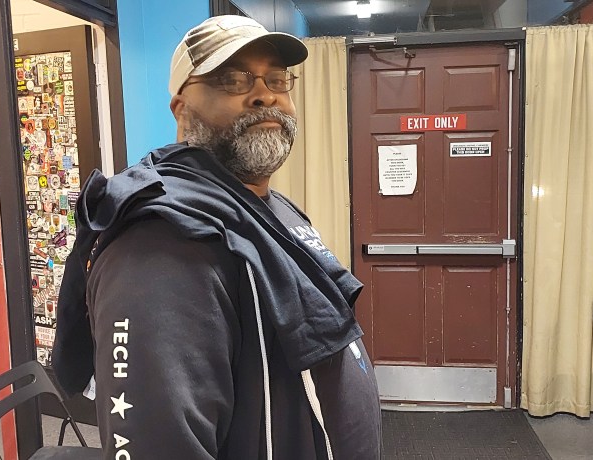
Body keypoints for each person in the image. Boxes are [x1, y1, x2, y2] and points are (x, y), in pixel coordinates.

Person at [52, 15, 381, 459]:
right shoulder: (163, 245)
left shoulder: (271, 208)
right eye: (233, 80)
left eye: (277, 79)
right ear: (181, 108)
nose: (265, 94)